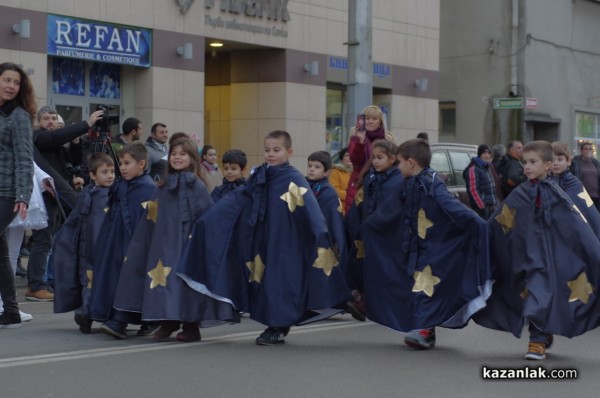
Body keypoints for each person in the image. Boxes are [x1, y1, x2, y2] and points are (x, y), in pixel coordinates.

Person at [177, 130, 349, 345]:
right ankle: (275, 323)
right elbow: (239, 198)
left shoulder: (294, 178)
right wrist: (211, 219)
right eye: (267, 150)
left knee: (281, 282)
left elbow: (312, 213)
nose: (271, 154)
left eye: (276, 150)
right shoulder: (261, 175)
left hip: (287, 243)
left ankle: (277, 326)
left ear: (289, 152)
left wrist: (321, 236)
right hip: (263, 239)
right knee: (266, 282)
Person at [474, 140, 600, 360]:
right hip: (527, 256)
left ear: (547, 165)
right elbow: (500, 219)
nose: (527, 167)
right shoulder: (522, 192)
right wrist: (478, 234)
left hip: (552, 259)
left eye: (533, 162)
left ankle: (537, 341)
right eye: (524, 162)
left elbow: (579, 226)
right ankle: (542, 332)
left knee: (542, 292)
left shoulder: (558, 193)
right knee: (532, 293)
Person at [361, 138, 492, 349]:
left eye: (400, 163)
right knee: (412, 286)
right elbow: (391, 211)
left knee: (425, 287)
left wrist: (481, 227)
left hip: (436, 247)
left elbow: (456, 210)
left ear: (411, 163)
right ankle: (424, 329)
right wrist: (371, 227)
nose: (398, 167)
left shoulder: (433, 185)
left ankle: (424, 330)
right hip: (414, 246)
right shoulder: (408, 184)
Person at [112, 138, 240, 342]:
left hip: (188, 245)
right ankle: (168, 321)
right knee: (165, 280)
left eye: (182, 154)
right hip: (164, 244)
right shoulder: (162, 186)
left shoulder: (197, 186)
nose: (177, 157)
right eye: (174, 154)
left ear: (192, 159)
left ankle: (191, 326)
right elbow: (153, 216)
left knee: (185, 282)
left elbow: (206, 216)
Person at [89, 143, 157, 338]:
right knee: (116, 278)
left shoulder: (147, 188)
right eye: (121, 163)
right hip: (117, 242)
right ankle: (116, 317)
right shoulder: (121, 186)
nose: (123, 167)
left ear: (142, 164)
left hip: (136, 246)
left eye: (127, 163)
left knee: (134, 280)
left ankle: (130, 321)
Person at [52, 153, 115, 334]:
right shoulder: (87, 194)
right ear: (93, 175)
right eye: (104, 172)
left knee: (102, 283)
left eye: (112, 171)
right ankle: (85, 314)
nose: (110, 175)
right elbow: (75, 220)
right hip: (85, 251)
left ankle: (96, 314)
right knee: (87, 282)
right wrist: (64, 241)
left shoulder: (113, 195)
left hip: (103, 251)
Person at [344, 139, 403, 321]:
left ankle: (378, 305)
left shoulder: (397, 179)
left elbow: (393, 208)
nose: (375, 161)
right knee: (362, 266)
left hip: (386, 234)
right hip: (367, 231)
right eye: (374, 158)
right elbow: (361, 203)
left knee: (384, 270)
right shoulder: (370, 177)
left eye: (380, 157)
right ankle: (362, 300)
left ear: (392, 159)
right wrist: (352, 225)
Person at [0, 62, 36, 328]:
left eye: (16, 82)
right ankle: (11, 310)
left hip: (6, 194)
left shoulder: (19, 116)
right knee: (1, 255)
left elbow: (25, 158)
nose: (11, 86)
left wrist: (22, 194)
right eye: (7, 80)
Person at [306, 151, 347, 281]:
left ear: (326, 172)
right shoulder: (303, 186)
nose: (312, 169)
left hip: (322, 237)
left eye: (317, 167)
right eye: (310, 165)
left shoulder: (328, 192)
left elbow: (333, 218)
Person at [345, 105, 395, 213]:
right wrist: (361, 141)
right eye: (367, 118)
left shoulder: (388, 139)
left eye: (374, 119)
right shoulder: (356, 137)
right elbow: (355, 160)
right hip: (359, 183)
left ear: (380, 122)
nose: (370, 122)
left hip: (380, 182)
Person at [551, 142, 600, 237]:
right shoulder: (548, 181)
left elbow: (588, 215)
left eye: (559, 159)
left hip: (591, 196)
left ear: (568, 161)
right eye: (552, 160)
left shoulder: (573, 182)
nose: (555, 163)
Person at [463, 144, 497, 219]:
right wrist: (482, 207)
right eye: (484, 153)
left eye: (489, 153)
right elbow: (473, 190)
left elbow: (492, 189)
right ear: (479, 154)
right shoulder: (473, 169)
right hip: (480, 210)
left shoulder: (487, 168)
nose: (487, 156)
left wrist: (495, 203)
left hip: (491, 208)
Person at [570, 142, 600, 212]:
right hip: (582, 196)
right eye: (585, 149)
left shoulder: (596, 163)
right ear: (581, 151)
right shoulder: (575, 163)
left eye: (590, 149)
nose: (588, 151)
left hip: (595, 196)